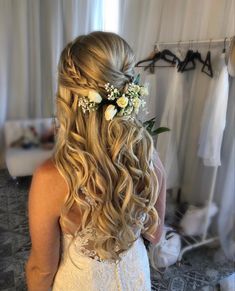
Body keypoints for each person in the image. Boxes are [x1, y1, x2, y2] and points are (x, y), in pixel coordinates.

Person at [25, 31, 166, 291]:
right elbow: (154, 234)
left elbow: (41, 269)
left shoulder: (52, 177)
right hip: (135, 278)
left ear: (69, 95)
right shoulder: (148, 158)